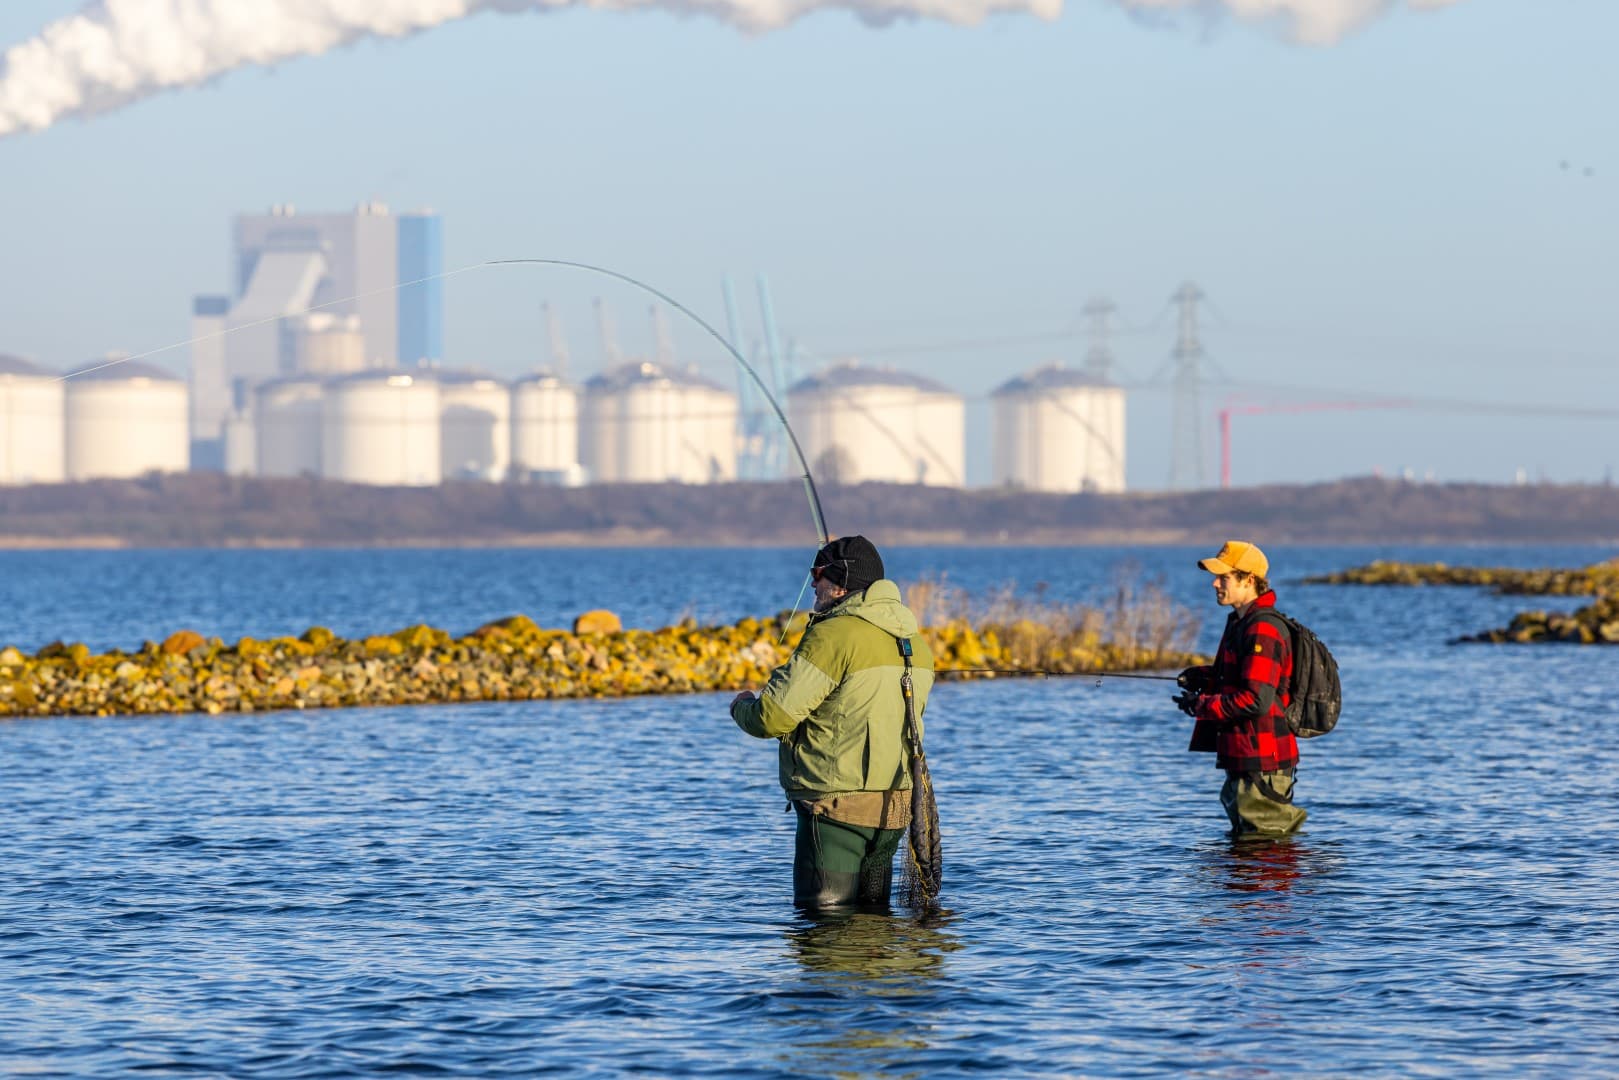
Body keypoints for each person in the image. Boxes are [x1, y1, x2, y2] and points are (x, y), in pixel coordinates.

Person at [730, 535, 935, 910]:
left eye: (818, 573)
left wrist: (741, 706)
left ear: (840, 584)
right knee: (876, 924)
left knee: (824, 926)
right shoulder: (915, 643)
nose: (812, 583)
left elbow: (771, 718)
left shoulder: (832, 636)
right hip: (895, 809)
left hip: (836, 809)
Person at [1176, 540, 1307, 839]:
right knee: (1249, 854)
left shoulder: (1262, 628)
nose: (1214, 583)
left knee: (1264, 851)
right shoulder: (1241, 623)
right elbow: (1243, 678)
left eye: (1224, 577)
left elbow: (1255, 699)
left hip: (1262, 759)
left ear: (1248, 580)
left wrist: (1202, 706)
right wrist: (1202, 677)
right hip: (1245, 754)